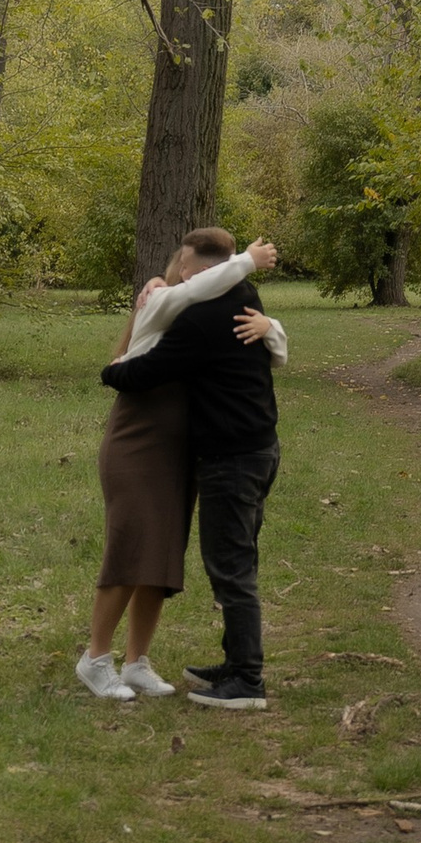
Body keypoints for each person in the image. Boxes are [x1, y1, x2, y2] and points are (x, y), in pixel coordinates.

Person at [75, 229, 281, 703]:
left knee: (161, 558)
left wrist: (272, 326)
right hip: (138, 441)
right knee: (129, 550)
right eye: (184, 269)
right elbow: (139, 369)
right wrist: (112, 371)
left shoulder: (227, 304)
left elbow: (243, 315)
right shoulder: (167, 303)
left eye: (196, 270)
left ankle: (137, 662)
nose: (189, 277)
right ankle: (95, 659)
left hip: (182, 448)